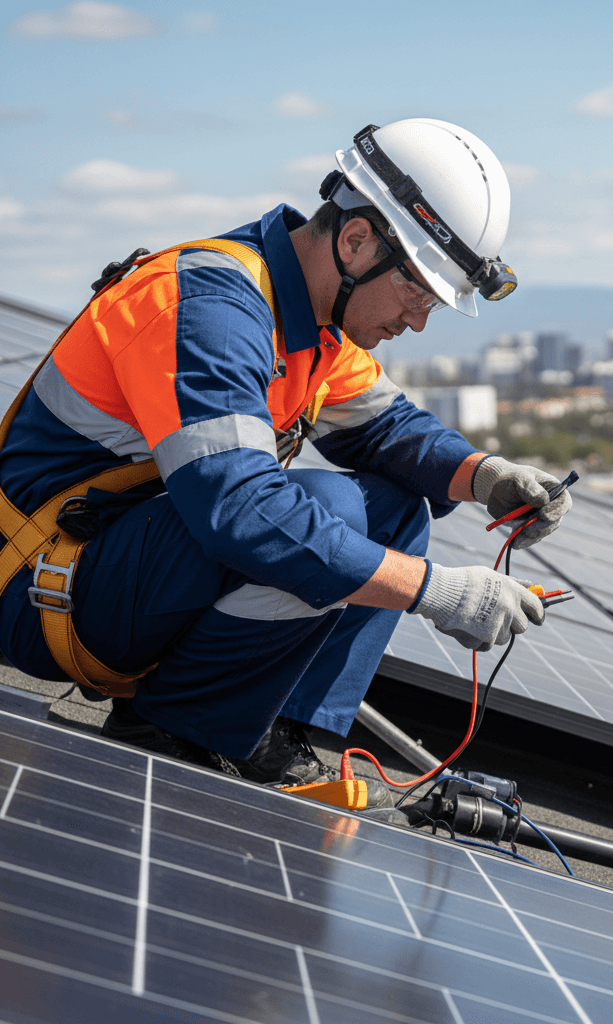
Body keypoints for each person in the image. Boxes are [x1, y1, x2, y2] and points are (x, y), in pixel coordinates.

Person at [0, 118, 572, 796]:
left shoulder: (311, 321)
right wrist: (438, 591)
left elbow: (387, 431)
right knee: (318, 512)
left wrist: (488, 478)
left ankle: (269, 731)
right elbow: (239, 512)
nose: (418, 319)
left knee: (390, 510)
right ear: (357, 241)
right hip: (43, 591)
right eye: (418, 292)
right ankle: (178, 731)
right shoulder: (211, 308)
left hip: (118, 570)